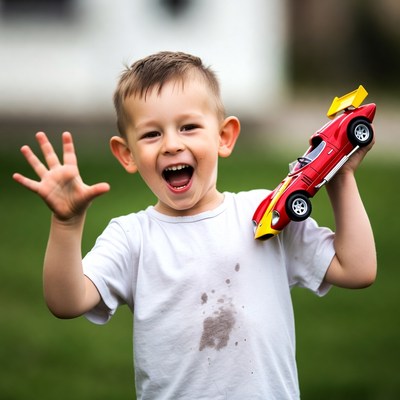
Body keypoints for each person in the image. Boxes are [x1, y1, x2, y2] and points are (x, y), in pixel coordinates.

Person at [13, 51, 377, 399]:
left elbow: (357, 269)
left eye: (188, 127)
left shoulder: (263, 212)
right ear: (127, 154)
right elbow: (66, 301)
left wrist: (340, 175)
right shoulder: (132, 237)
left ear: (224, 136)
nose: (172, 144)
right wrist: (67, 224)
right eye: (152, 134)